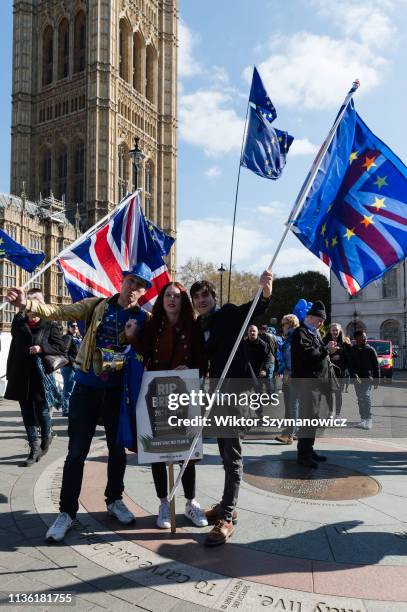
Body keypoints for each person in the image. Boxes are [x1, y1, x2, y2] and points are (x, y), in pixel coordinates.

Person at [7, 262, 152, 542]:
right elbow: (60, 311)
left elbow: (147, 354)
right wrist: (27, 304)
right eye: (131, 281)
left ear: (144, 291)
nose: (134, 288)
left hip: (116, 394)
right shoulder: (97, 306)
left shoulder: (144, 320)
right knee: (76, 453)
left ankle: (114, 500)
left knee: (116, 450)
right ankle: (67, 512)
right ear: (122, 282)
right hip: (86, 389)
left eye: (140, 285)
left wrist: (133, 337)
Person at [190, 270, 273, 546]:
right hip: (216, 393)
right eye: (197, 297)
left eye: (205, 295)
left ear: (214, 297)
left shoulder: (226, 314)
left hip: (237, 392)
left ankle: (225, 518)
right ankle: (228, 505)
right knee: (225, 451)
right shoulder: (198, 326)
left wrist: (265, 290)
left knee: (233, 454)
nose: (201, 300)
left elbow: (254, 309)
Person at [127, 281, 208, 529]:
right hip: (158, 395)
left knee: (188, 453)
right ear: (162, 300)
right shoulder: (154, 325)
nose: (172, 300)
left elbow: (202, 360)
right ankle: (164, 503)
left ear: (183, 301)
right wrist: (132, 337)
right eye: (168, 296)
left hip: (184, 394)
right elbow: (145, 351)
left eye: (177, 296)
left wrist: (192, 369)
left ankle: (190, 502)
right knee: (157, 452)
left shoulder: (193, 327)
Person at [5, 288, 66, 466]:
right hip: (20, 374)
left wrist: (42, 348)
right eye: (28, 301)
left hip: (40, 376)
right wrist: (10, 373)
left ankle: (47, 434)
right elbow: (14, 348)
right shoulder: (18, 323)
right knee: (26, 412)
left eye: (34, 302)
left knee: (42, 410)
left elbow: (61, 349)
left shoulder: (50, 325)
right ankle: (34, 447)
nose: (30, 305)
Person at [291, 301, 337, 469]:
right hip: (307, 383)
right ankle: (303, 455)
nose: (321, 323)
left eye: (323, 320)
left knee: (313, 418)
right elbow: (307, 355)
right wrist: (326, 350)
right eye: (319, 319)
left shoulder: (314, 332)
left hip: (317, 384)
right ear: (309, 317)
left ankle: (309, 449)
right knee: (308, 418)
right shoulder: (300, 333)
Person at [347, 330, 380, 430]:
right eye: (362, 337)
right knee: (360, 398)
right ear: (356, 338)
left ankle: (369, 419)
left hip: (367, 378)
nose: (365, 339)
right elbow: (350, 365)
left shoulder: (370, 350)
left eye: (365, 337)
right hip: (357, 379)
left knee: (365, 396)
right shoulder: (352, 350)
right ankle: (363, 419)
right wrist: (354, 375)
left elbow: (376, 366)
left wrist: (376, 380)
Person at [275, 314, 300, 445]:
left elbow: (290, 358)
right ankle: (294, 432)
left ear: (289, 324)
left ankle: (289, 434)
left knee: (292, 406)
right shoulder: (292, 336)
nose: (282, 327)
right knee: (293, 406)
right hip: (292, 375)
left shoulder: (292, 338)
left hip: (292, 377)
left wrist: (288, 373)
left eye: (283, 324)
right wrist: (280, 371)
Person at [323, 323, 350, 416]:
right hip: (328, 371)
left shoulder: (345, 342)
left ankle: (337, 414)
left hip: (340, 372)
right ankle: (330, 412)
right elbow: (321, 353)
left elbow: (349, 358)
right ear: (330, 331)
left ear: (340, 331)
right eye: (333, 330)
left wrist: (340, 357)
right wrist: (331, 356)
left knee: (338, 394)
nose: (335, 332)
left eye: (336, 330)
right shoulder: (324, 341)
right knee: (328, 393)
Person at [60, 322, 82, 417]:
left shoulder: (78, 337)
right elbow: (64, 352)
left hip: (75, 366)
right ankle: (66, 410)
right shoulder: (67, 337)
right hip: (69, 367)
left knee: (73, 389)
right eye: (73, 326)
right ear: (68, 327)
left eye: (76, 326)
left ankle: (70, 408)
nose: (75, 328)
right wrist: (72, 362)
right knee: (68, 389)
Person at [258, 324, 277, 392]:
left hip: (267, 359)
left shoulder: (263, 336)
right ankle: (272, 395)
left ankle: (270, 397)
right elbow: (275, 348)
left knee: (267, 379)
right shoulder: (274, 336)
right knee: (270, 378)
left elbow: (264, 349)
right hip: (272, 358)